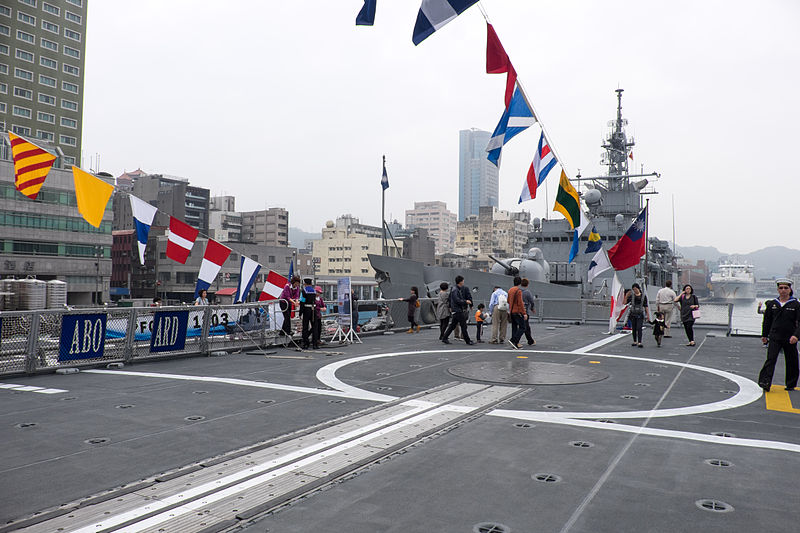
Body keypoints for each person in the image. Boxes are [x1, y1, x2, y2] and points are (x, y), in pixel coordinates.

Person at [757, 279, 800, 392]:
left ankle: (790, 384)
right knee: (770, 360)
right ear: (777, 290)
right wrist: (764, 335)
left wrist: (796, 336)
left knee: (792, 361)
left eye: (786, 288)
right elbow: (767, 320)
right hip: (775, 337)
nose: (783, 290)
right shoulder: (772, 304)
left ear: (790, 289)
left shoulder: (796, 305)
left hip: (790, 338)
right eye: (781, 288)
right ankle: (765, 382)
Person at [441, 275, 473, 345]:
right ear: (460, 282)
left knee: (453, 325)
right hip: (458, 310)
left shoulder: (454, 289)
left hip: (455, 310)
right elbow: (456, 300)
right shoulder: (455, 289)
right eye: (463, 281)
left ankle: (445, 338)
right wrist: (466, 301)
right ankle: (468, 341)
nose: (463, 282)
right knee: (463, 325)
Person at [625, 283, 649, 347]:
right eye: (633, 289)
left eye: (635, 289)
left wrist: (648, 316)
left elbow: (646, 306)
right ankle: (635, 341)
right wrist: (626, 296)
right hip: (633, 314)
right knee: (634, 328)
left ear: (638, 288)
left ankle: (640, 342)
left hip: (640, 314)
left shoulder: (643, 296)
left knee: (639, 328)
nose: (634, 290)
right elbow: (624, 303)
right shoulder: (631, 296)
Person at [507, 276, 527, 349]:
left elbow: (508, 301)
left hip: (511, 311)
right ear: (520, 283)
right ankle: (514, 340)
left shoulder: (510, 290)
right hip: (518, 311)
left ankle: (514, 343)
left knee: (514, 327)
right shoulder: (518, 291)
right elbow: (520, 303)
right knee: (522, 327)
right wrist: (524, 313)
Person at [299, 278, 317, 349]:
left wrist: (300, 313)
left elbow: (302, 302)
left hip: (306, 309)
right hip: (314, 309)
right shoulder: (314, 291)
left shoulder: (304, 291)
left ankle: (306, 343)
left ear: (305, 284)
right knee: (314, 327)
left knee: (305, 327)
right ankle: (315, 344)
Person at [520, 278, 536, 346]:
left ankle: (530, 340)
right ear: (527, 284)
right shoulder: (527, 292)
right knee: (526, 327)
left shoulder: (518, 291)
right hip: (525, 311)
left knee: (520, 326)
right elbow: (532, 301)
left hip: (517, 311)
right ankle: (530, 341)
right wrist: (532, 308)